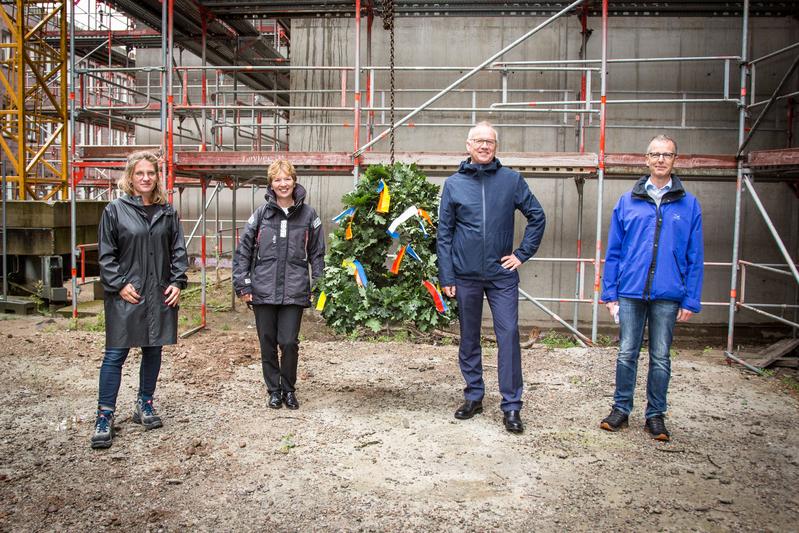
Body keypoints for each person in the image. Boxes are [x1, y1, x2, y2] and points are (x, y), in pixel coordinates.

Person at [437, 121, 546, 434]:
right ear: (468, 145)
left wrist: (522, 254)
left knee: (509, 335)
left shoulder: (511, 181)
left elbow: (537, 217)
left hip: (501, 276)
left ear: (495, 147)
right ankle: (474, 396)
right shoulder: (454, 184)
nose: (484, 146)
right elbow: (444, 233)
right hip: (465, 275)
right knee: (469, 337)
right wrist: (447, 274)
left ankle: (512, 406)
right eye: (479, 141)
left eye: (490, 142)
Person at [600, 134, 704, 442]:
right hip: (631, 292)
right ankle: (620, 409)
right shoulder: (628, 200)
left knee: (660, 356)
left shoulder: (688, 204)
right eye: (655, 154)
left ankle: (655, 416)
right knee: (626, 353)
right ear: (646, 160)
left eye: (667, 155)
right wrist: (610, 293)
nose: (660, 159)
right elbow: (615, 252)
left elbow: (695, 256)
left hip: (668, 295)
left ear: (675, 161)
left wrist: (690, 299)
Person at [91, 150, 188, 449]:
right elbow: (106, 255)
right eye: (140, 173)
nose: (145, 178)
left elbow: (178, 251)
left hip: (158, 293)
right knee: (115, 355)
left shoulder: (167, 212)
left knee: (153, 350)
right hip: (126, 295)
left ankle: (144, 404)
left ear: (157, 177)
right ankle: (104, 416)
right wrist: (119, 285)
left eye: (151, 173)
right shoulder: (114, 211)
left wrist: (177, 281)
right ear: (130, 177)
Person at [233, 159, 325, 410]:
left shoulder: (309, 215)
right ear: (271, 184)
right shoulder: (261, 215)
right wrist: (244, 285)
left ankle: (289, 389)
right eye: (277, 179)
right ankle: (274, 390)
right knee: (267, 341)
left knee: (288, 342)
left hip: (295, 289)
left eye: (287, 179)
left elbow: (317, 253)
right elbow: (244, 252)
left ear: (294, 181)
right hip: (263, 290)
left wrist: (319, 285)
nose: (282, 184)